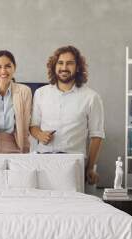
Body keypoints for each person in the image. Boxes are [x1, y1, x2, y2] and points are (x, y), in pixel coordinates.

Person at [30, 46, 105, 184]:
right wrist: (40, 134)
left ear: (77, 67)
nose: (64, 67)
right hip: (42, 162)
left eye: (70, 63)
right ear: (54, 66)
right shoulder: (40, 93)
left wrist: (89, 168)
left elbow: (97, 136)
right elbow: (33, 126)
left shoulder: (91, 97)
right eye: (60, 63)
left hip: (73, 165)